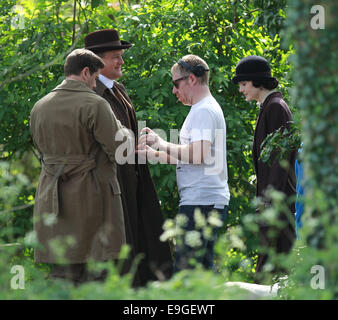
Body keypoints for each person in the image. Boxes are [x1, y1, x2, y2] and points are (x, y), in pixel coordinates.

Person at [30, 48, 133, 285]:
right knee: (96, 275)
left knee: (61, 273)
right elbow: (121, 152)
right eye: (96, 78)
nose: (96, 85)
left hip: (53, 201)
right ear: (86, 72)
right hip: (91, 196)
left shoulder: (39, 106)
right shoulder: (95, 104)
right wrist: (124, 129)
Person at [84, 29, 173, 286]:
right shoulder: (92, 95)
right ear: (96, 61)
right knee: (121, 245)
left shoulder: (118, 88)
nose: (121, 61)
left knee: (143, 239)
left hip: (133, 177)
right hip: (112, 181)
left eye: (121, 56)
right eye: (115, 56)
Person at [138, 54, 230, 272]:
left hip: (201, 200)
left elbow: (197, 155)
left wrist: (161, 142)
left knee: (188, 271)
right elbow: (195, 157)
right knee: (203, 269)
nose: (173, 91)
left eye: (175, 84)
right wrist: (155, 154)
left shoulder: (203, 110)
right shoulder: (202, 109)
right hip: (205, 199)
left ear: (192, 79)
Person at [232, 55, 297, 283]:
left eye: (243, 84)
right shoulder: (268, 107)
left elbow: (281, 160)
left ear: (257, 82)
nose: (241, 90)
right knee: (272, 268)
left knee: (275, 269)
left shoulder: (276, 108)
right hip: (272, 203)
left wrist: (270, 203)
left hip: (278, 204)